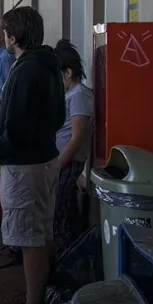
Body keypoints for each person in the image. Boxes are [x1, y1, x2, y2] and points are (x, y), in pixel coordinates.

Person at [0, 7, 65, 304]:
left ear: (13, 36)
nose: (4, 38)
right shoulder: (48, 65)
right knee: (42, 231)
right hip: (46, 157)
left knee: (29, 236)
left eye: (5, 32)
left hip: (24, 164)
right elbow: (59, 117)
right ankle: (39, 293)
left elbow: (15, 126)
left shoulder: (24, 70)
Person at [53, 40, 93, 255]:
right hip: (62, 160)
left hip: (67, 162)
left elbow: (77, 137)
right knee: (63, 209)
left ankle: (65, 260)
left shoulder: (79, 95)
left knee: (56, 212)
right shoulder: (71, 94)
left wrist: (59, 164)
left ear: (67, 72)